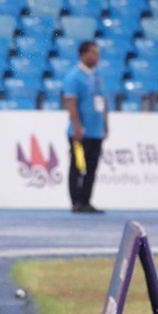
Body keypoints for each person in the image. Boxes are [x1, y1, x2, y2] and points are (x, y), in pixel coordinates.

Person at [63, 40, 107, 213]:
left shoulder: (96, 76)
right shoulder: (74, 76)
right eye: (94, 53)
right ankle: (76, 202)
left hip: (96, 131)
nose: (97, 57)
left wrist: (105, 124)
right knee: (77, 166)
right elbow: (70, 102)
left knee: (91, 168)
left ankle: (86, 200)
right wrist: (77, 126)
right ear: (84, 54)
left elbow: (102, 101)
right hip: (80, 132)